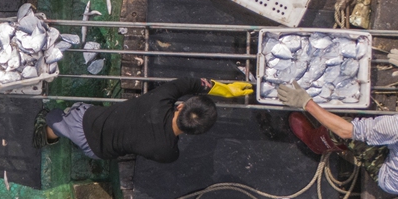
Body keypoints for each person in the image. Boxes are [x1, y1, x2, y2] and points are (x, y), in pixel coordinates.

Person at [278, 49, 398, 195]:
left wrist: (306, 103)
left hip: (397, 181)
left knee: (340, 129)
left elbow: (347, 130)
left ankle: (316, 142)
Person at [32, 78, 253, 162]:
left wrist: (223, 89)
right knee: (68, 129)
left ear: (182, 106)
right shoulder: (167, 152)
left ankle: (48, 131)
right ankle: (50, 133)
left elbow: (190, 82)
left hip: (86, 121)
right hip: (98, 152)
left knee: (55, 119)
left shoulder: (159, 99)